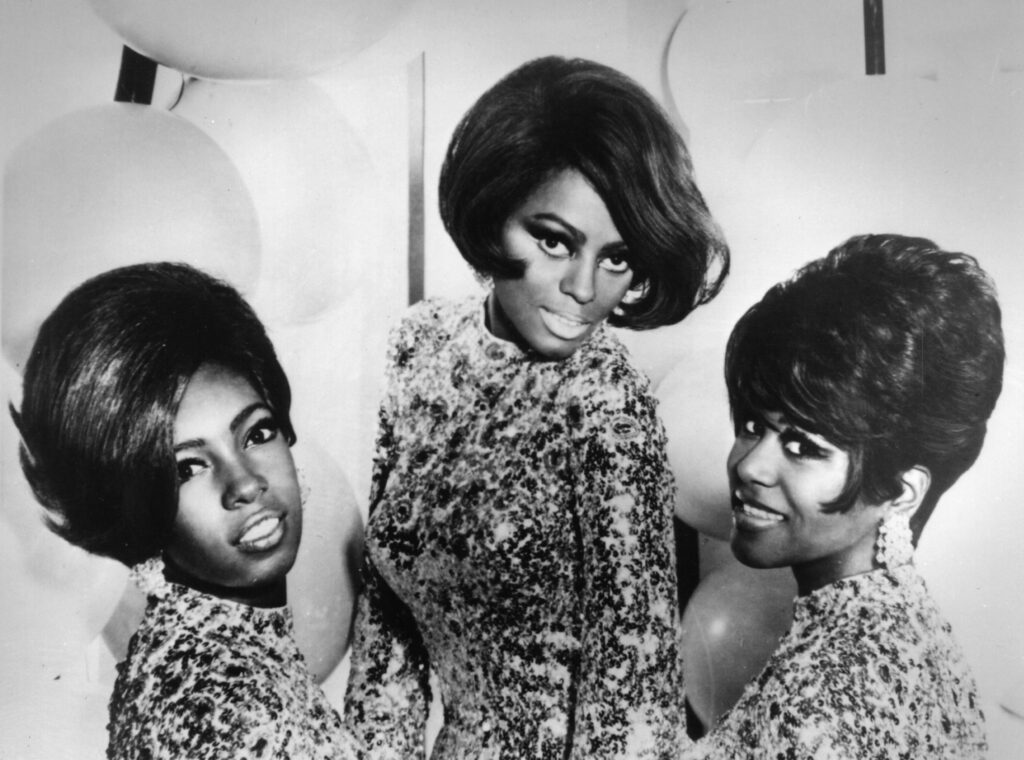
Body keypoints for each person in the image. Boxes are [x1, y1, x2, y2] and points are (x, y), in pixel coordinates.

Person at [343, 55, 729, 758]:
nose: (584, 288)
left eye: (618, 258)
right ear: (491, 213)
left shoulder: (609, 411)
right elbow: (386, 612)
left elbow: (634, 709)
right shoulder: (419, 345)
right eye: (555, 240)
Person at [11, 263, 361, 760]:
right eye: (187, 468)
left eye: (256, 433)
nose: (243, 483)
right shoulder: (215, 706)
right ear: (136, 505)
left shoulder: (210, 654)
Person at [681, 234, 1002, 758]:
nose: (750, 464)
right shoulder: (903, 637)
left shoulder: (827, 693)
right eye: (751, 423)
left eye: (802, 446)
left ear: (901, 492)